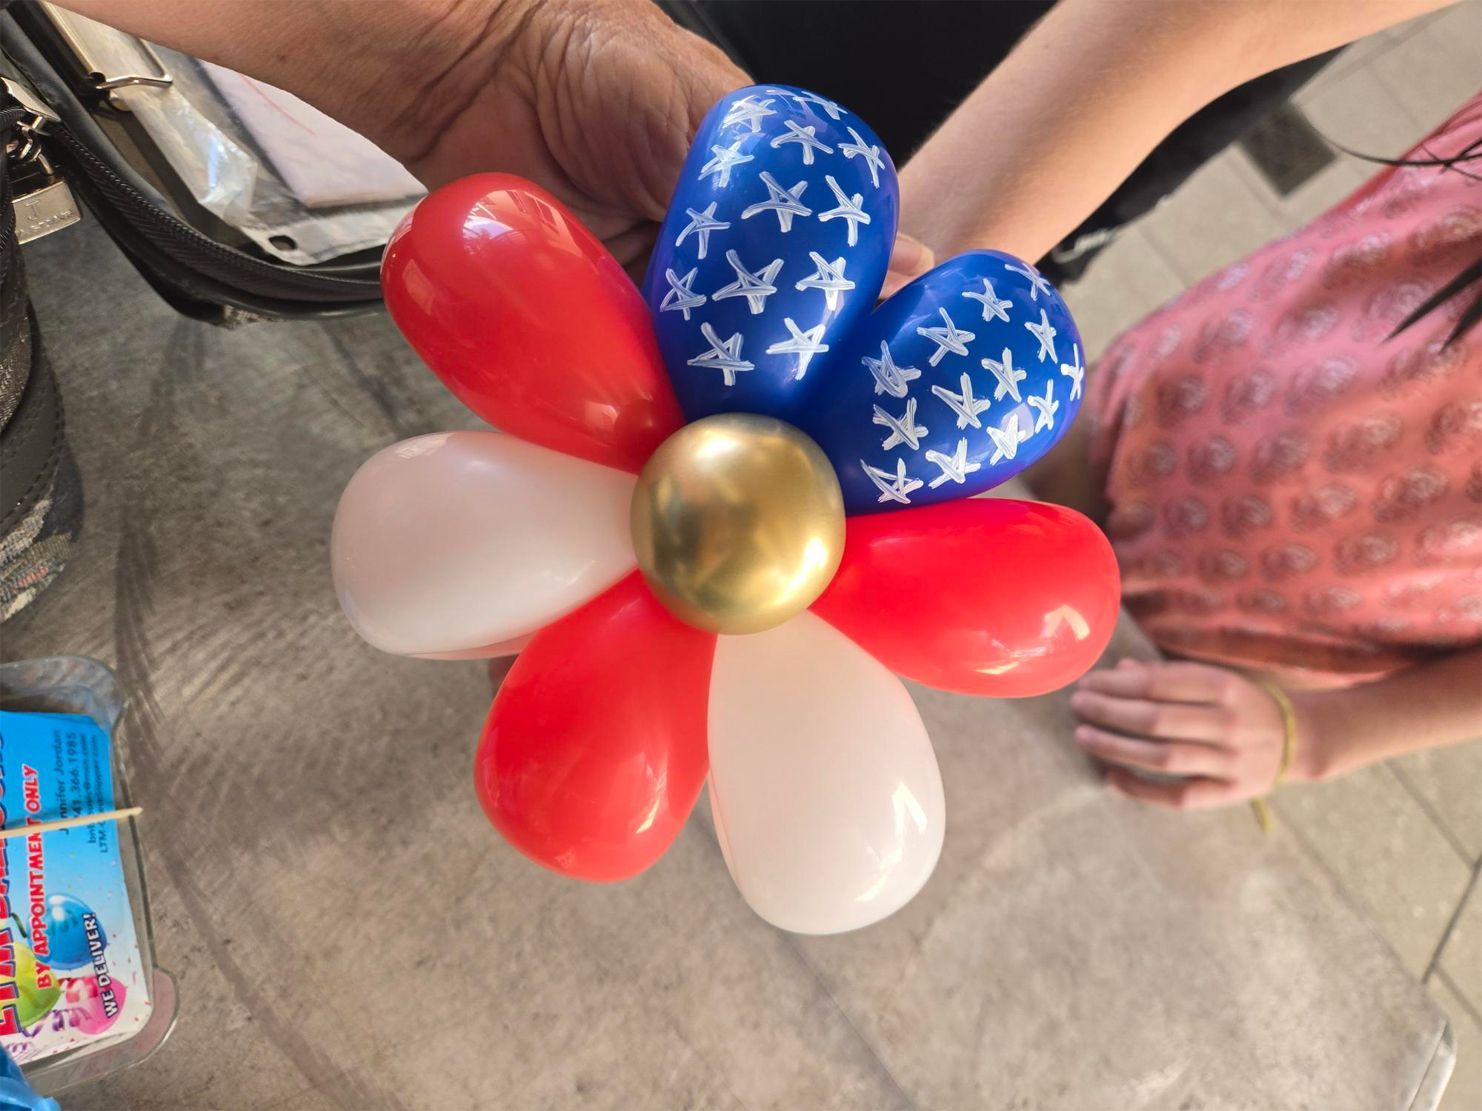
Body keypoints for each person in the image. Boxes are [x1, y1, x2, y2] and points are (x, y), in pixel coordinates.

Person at [50, 0, 1481, 809]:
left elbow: (1197, 33)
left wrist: (1330, 732)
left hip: (1183, 558)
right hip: (1136, 388)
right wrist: (473, 48)